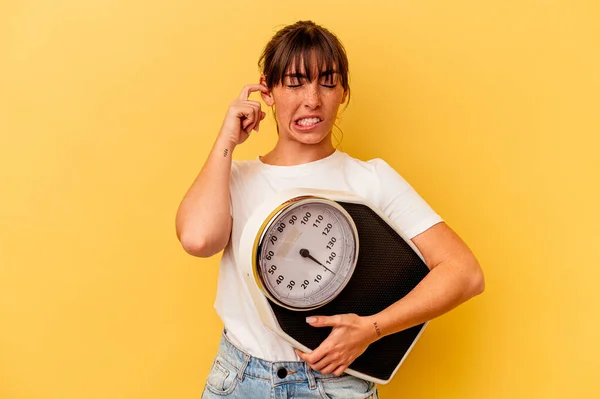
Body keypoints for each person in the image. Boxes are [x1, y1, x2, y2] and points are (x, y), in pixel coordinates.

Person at [175, 20, 485, 399]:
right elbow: (197, 238)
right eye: (294, 82)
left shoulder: (370, 180)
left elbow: (465, 273)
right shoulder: (234, 178)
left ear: (343, 92)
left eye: (327, 81)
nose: (312, 99)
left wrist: (373, 329)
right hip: (239, 380)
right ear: (267, 91)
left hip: (335, 386)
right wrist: (226, 139)